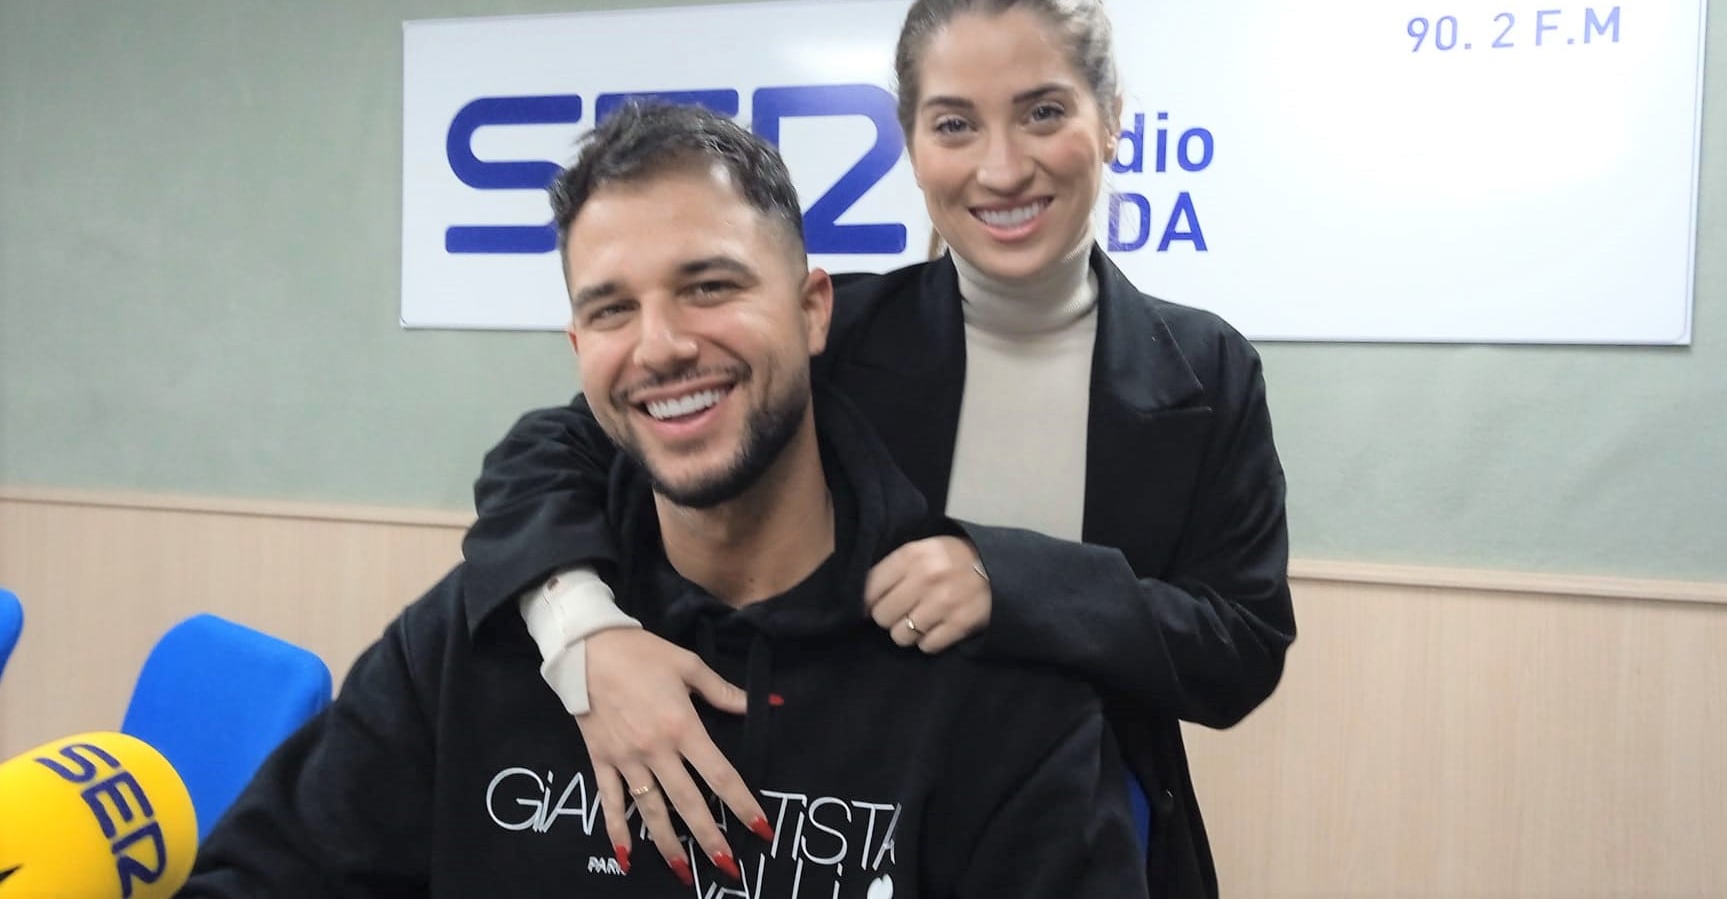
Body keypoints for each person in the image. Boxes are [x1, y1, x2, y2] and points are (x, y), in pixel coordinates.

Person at [462, 0, 1295, 898]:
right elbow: (553, 451)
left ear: (1112, 121)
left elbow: (1241, 649)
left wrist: (1011, 581)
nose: (1001, 166)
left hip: (1085, 842)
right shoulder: (834, 333)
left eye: (1045, 112)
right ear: (910, 143)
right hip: (838, 833)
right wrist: (581, 633)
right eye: (954, 124)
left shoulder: (1208, 370)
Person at [181, 102, 1148, 897]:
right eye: (612, 309)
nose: (660, 346)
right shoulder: (471, 644)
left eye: (709, 285)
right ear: (577, 351)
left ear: (815, 310)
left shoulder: (997, 688)